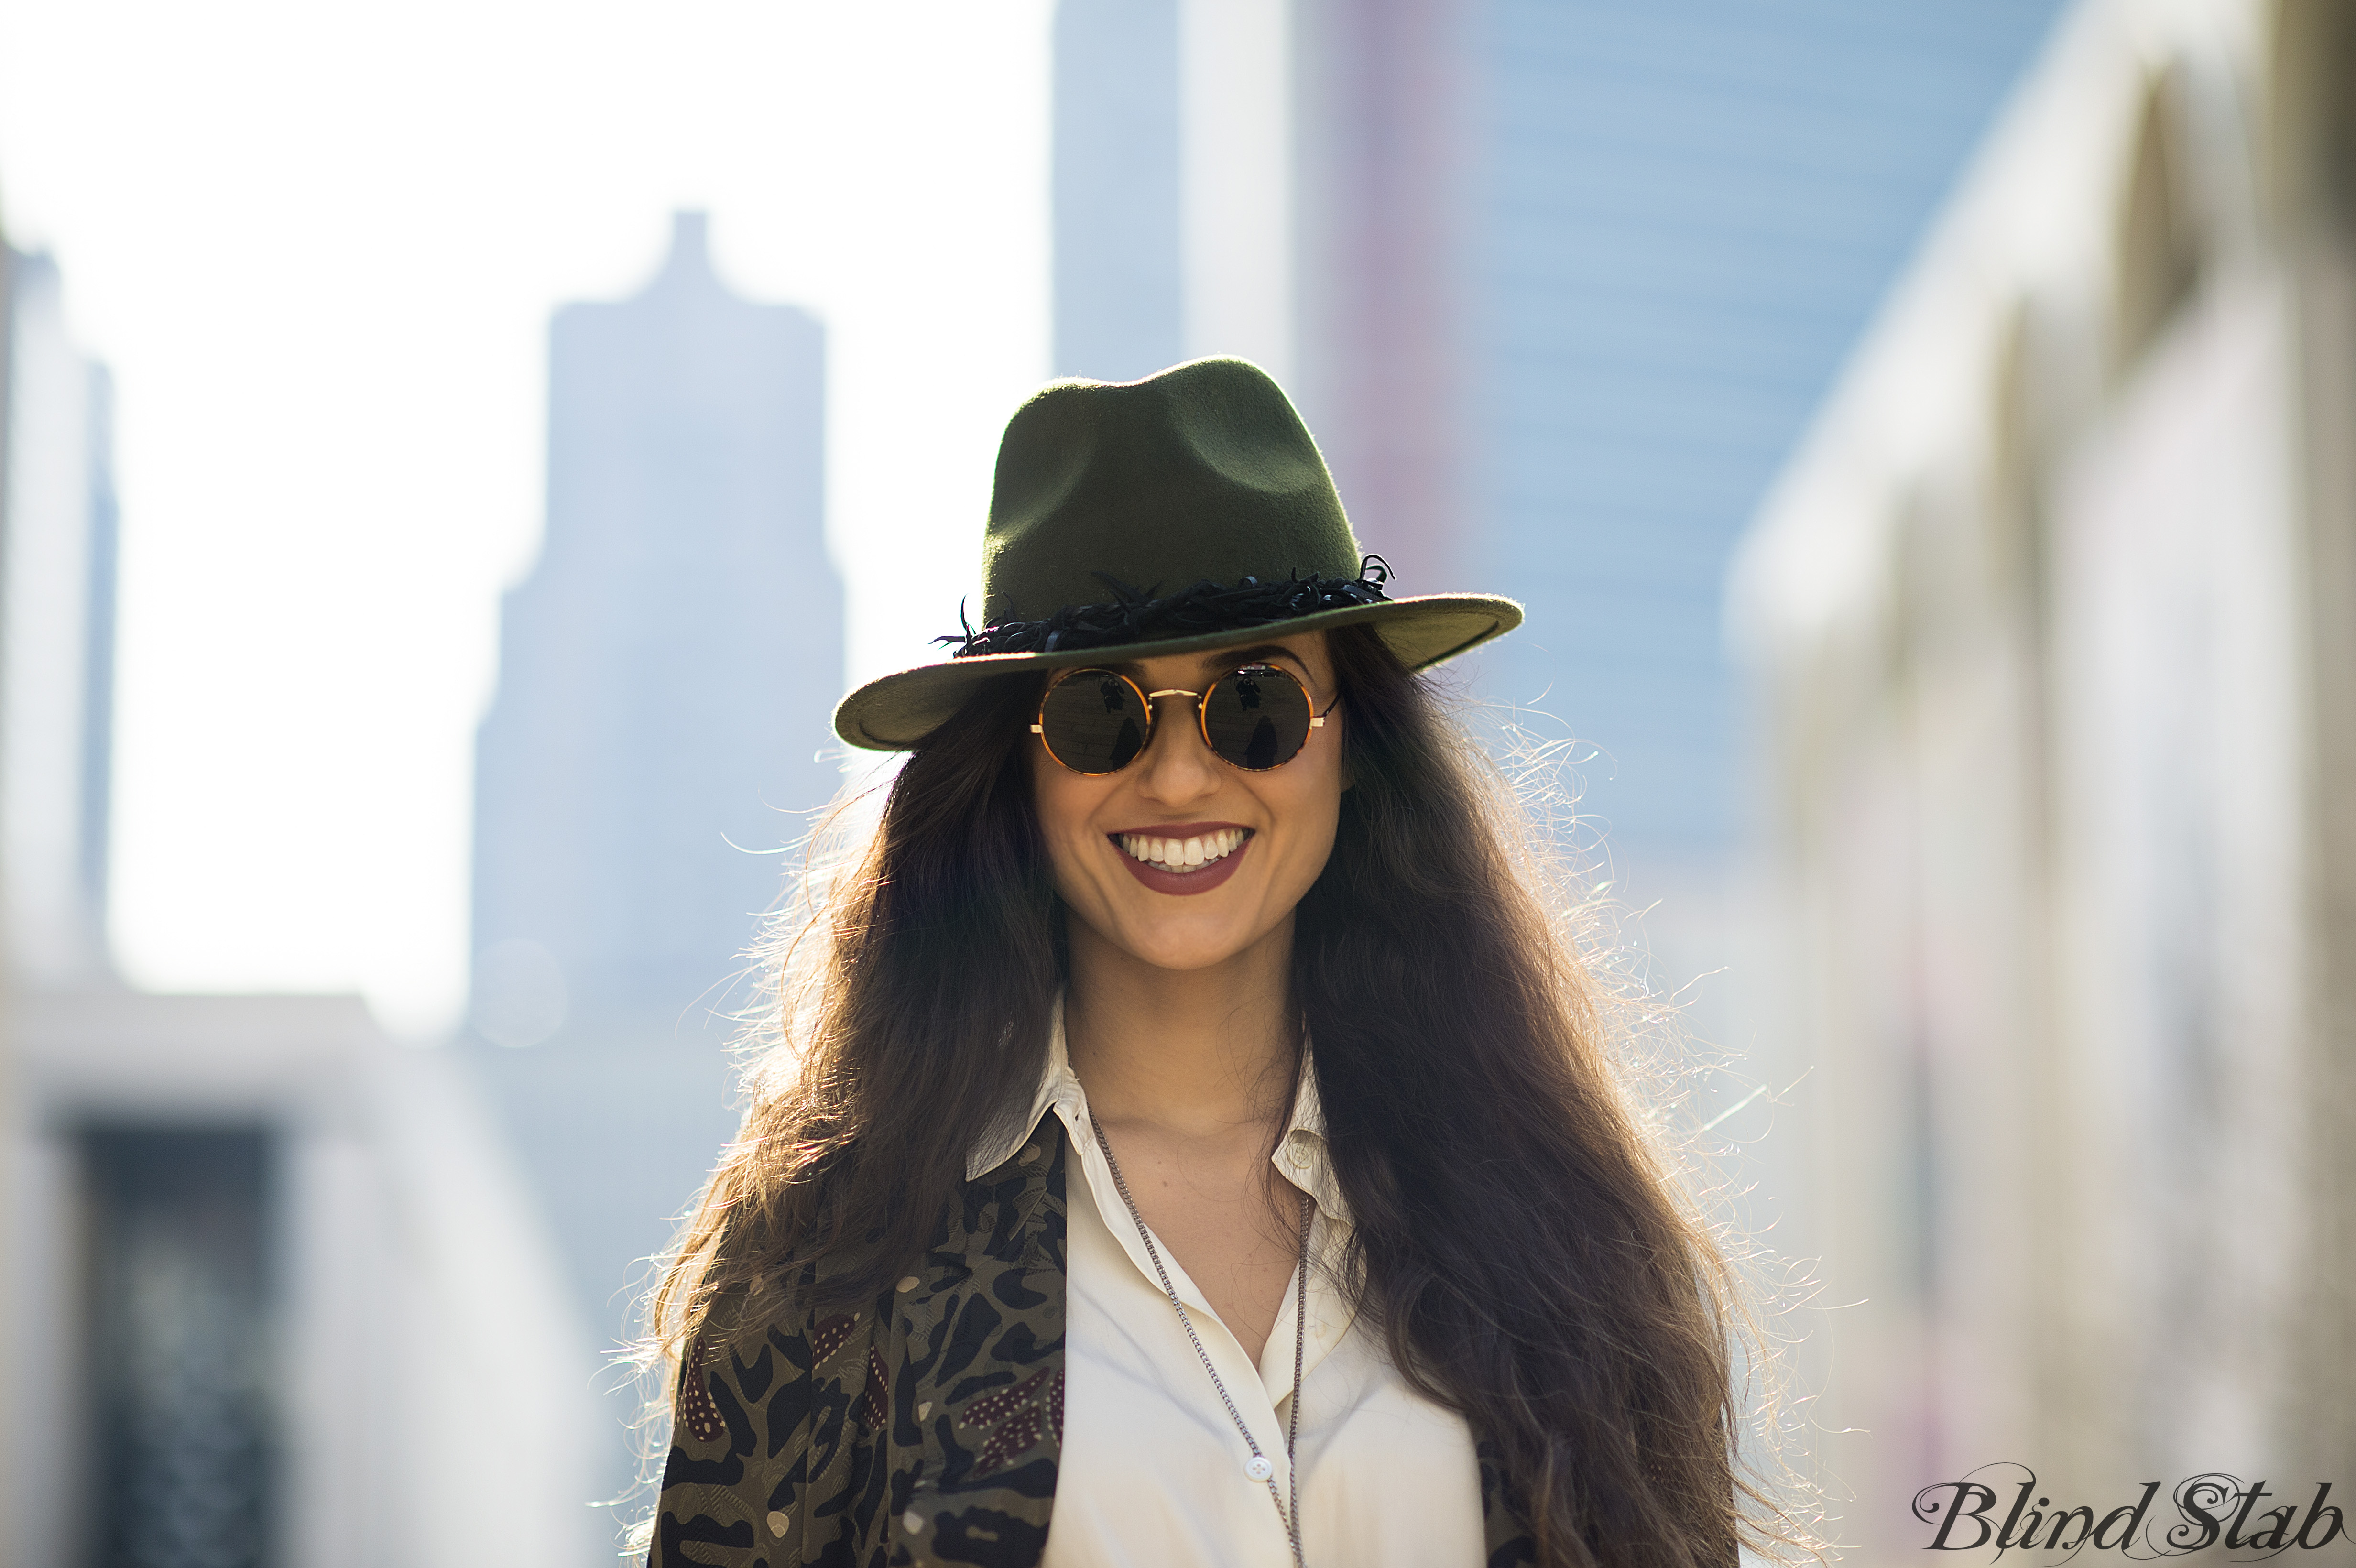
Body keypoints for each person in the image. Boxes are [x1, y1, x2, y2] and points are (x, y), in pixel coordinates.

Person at [642, 358, 1765, 1568]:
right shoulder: (829, 1257)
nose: (1178, 775)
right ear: (1016, 768)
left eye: (1256, 704)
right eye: (1099, 714)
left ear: (1351, 748)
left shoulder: (1554, 1221)